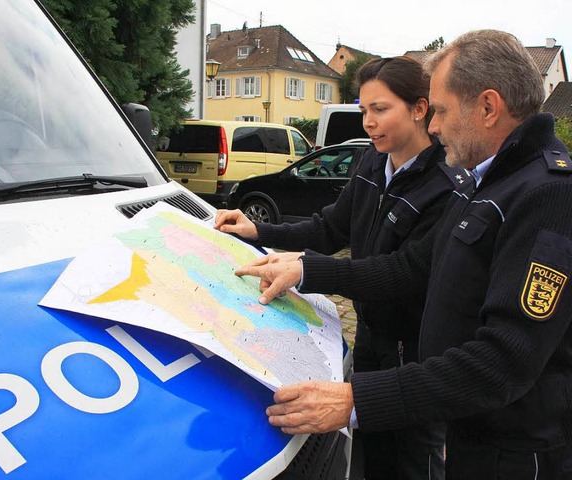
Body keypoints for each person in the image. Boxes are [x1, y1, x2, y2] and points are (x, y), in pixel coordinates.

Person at [236, 29, 572, 479]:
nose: (434, 127)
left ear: (488, 108)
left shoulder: (547, 195)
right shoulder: (487, 181)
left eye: (442, 111)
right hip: (469, 423)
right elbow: (413, 267)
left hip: (516, 450)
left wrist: (358, 400)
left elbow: (504, 360)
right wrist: (305, 268)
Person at [215, 56, 469, 479]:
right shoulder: (372, 161)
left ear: (420, 108)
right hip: (369, 341)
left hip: (415, 357)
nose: (369, 122)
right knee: (367, 459)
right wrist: (257, 229)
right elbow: (330, 228)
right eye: (363, 110)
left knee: (410, 463)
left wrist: (308, 270)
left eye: (381, 109)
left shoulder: (447, 185)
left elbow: (402, 273)